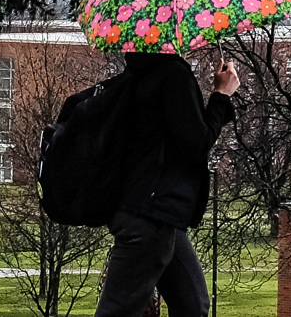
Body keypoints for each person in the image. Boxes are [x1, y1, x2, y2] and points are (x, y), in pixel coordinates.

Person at [94, 52, 240, 317]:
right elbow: (196, 144)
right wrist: (221, 95)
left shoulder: (138, 72)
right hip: (151, 214)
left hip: (158, 215)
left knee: (193, 304)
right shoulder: (172, 73)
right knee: (117, 311)